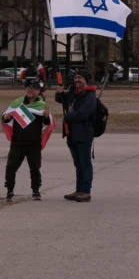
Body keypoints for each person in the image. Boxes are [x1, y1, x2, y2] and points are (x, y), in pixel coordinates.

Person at [1, 83, 51, 201]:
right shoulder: (18, 103)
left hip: (34, 142)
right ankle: (9, 191)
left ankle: (36, 191)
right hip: (17, 141)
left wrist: (46, 116)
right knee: (11, 167)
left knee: (35, 168)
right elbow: (4, 117)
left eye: (33, 88)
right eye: (28, 88)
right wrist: (6, 117)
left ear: (38, 91)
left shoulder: (42, 105)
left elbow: (47, 123)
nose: (30, 90)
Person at [55, 72, 97, 202]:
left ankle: (86, 191)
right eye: (75, 78)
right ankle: (79, 190)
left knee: (85, 164)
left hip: (83, 134)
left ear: (86, 80)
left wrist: (68, 117)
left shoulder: (90, 96)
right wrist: (60, 92)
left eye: (80, 77)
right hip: (72, 134)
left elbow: (82, 114)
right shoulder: (74, 93)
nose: (77, 80)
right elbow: (60, 99)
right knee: (78, 164)